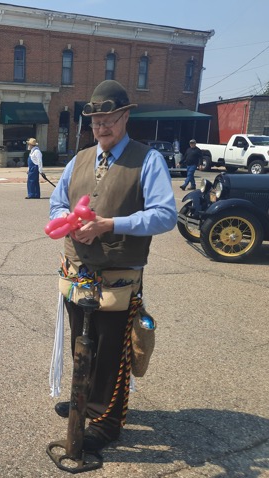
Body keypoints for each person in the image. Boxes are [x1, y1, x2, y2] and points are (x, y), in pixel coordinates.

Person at [49, 80, 177, 453]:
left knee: (112, 347)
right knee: (81, 341)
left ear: (125, 116)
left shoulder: (148, 159)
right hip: (78, 271)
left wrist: (109, 224)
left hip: (119, 273)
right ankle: (84, 402)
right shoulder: (80, 159)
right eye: (95, 120)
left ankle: (108, 422)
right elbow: (56, 206)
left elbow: (165, 215)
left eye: (109, 118)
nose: (101, 126)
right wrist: (71, 221)